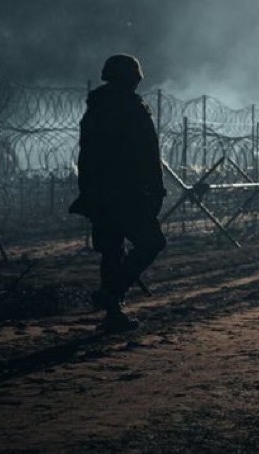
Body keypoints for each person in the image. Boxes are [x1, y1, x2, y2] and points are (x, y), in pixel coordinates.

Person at [69, 54, 167, 332]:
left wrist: (88, 192)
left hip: (100, 192)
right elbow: (146, 154)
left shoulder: (96, 108)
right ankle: (112, 292)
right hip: (129, 193)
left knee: (112, 250)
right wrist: (154, 189)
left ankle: (113, 313)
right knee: (151, 243)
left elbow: (86, 156)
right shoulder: (131, 107)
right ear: (129, 77)